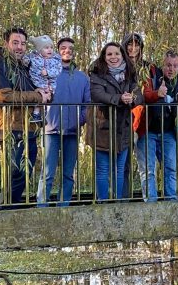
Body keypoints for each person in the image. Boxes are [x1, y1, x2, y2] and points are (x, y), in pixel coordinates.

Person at [0, 27, 51, 205]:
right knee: (15, 171)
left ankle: (7, 208)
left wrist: (42, 92)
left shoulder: (23, 66)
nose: (20, 47)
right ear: (6, 43)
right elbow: (3, 95)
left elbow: (31, 89)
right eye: (15, 43)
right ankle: (3, 209)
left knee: (24, 171)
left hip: (28, 126)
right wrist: (37, 97)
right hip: (9, 126)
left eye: (23, 43)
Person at [136, 50, 178, 201]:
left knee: (171, 168)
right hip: (147, 128)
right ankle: (150, 204)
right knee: (148, 169)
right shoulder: (151, 72)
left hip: (169, 130)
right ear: (162, 64)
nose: (171, 69)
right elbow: (144, 94)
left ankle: (172, 202)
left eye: (175, 66)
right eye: (168, 65)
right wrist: (157, 93)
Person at [36, 37, 90, 207]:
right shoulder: (48, 74)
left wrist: (79, 120)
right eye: (63, 48)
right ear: (58, 51)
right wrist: (44, 119)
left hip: (72, 131)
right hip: (50, 130)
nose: (67, 50)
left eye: (71, 48)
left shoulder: (82, 78)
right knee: (48, 172)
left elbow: (87, 105)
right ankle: (41, 208)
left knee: (68, 174)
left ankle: (63, 207)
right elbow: (39, 96)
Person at [87, 42, 143, 201]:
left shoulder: (130, 73)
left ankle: (117, 203)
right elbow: (98, 95)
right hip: (102, 128)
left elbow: (139, 94)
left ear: (122, 55)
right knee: (103, 170)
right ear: (104, 57)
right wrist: (119, 98)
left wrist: (132, 99)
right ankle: (103, 203)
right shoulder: (96, 73)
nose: (113, 57)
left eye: (117, 53)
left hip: (123, 128)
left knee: (119, 170)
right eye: (109, 54)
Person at [121, 32, 147, 199]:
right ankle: (123, 198)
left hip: (142, 121)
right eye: (130, 44)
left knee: (145, 165)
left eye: (137, 44)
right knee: (123, 164)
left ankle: (148, 199)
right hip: (123, 120)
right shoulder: (119, 66)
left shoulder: (147, 67)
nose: (133, 48)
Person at [26, 35, 63, 122]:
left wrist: (48, 72)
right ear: (39, 50)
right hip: (37, 83)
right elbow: (26, 57)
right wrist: (25, 60)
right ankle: (36, 114)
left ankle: (42, 114)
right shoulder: (34, 57)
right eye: (46, 48)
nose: (50, 50)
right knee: (40, 97)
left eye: (51, 47)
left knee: (47, 98)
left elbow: (58, 71)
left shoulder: (55, 60)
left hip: (50, 85)